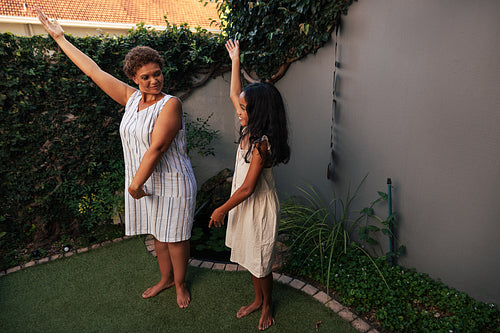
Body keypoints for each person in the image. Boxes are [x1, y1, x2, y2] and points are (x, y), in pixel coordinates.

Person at [35, 6, 196, 308]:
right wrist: (60, 38)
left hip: (172, 182)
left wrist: (134, 185)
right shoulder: (131, 98)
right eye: (145, 76)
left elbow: (157, 148)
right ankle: (164, 279)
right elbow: (93, 70)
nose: (153, 81)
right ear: (135, 78)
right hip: (145, 183)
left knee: (174, 239)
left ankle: (180, 284)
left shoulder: (170, 105)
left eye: (157, 73)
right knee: (157, 236)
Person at [209, 39, 290, 331]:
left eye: (244, 108)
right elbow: (234, 92)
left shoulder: (261, 144)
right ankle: (257, 299)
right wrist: (235, 61)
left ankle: (267, 303)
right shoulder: (249, 128)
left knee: (260, 261)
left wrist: (220, 209)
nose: (239, 110)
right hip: (244, 203)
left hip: (256, 206)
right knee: (249, 257)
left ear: (259, 112)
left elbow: (247, 189)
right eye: (241, 107)